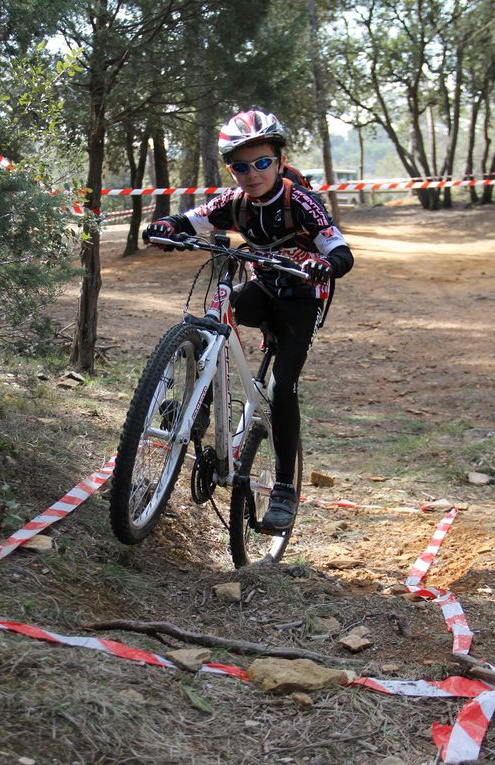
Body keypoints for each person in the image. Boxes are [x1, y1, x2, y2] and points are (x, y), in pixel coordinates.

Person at [143, 110, 353, 533]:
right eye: (240, 166)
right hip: (264, 287)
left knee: (281, 386)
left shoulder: (300, 201)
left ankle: (283, 490)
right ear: (230, 169)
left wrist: (325, 264)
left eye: (261, 163)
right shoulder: (234, 202)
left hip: (302, 296)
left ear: (278, 160)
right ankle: (196, 413)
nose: (252, 174)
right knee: (210, 324)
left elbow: (340, 249)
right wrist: (166, 225)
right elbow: (192, 219)